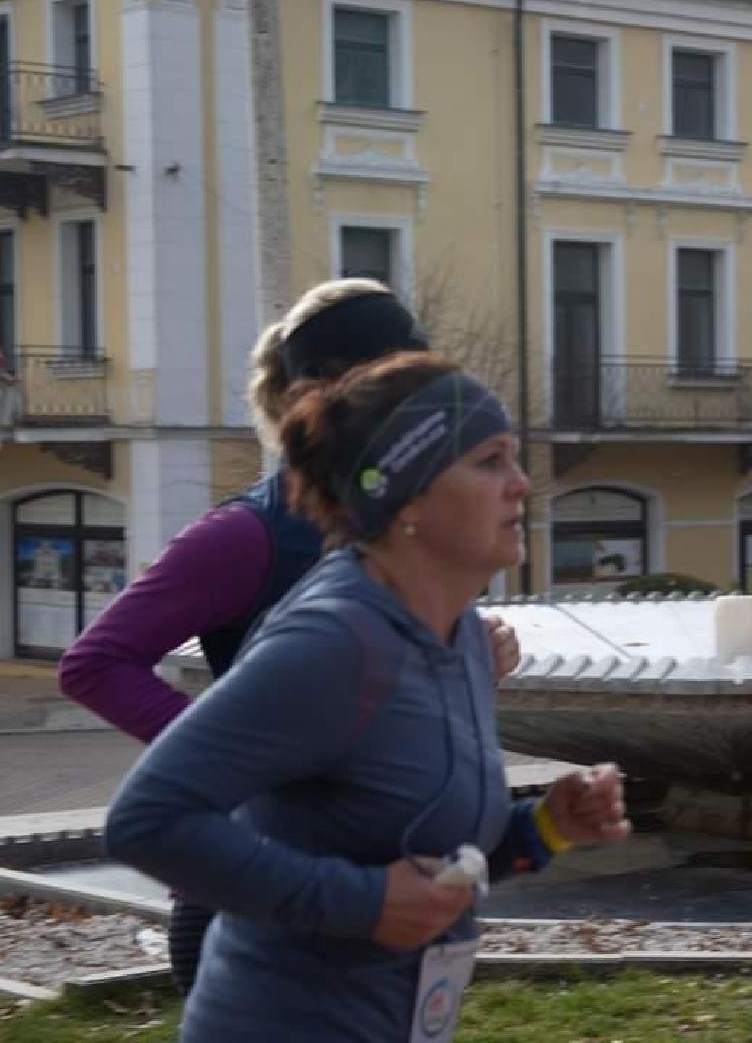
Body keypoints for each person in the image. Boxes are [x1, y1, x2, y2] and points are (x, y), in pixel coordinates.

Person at [105, 354, 630, 1043]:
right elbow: (145, 821)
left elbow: (432, 853)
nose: (521, 485)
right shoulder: (332, 642)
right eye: (489, 461)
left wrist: (548, 826)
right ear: (407, 497)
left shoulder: (463, 636)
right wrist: (363, 904)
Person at [58, 279, 520, 995]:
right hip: (245, 904)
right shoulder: (246, 536)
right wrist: (235, 753)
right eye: (396, 380)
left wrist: (459, 672)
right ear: (324, 395)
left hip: (369, 914)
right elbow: (95, 662)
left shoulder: (407, 530)